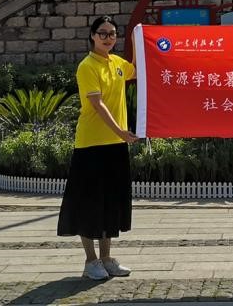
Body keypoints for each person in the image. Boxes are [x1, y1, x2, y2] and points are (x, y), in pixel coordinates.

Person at [57, 15, 140, 281]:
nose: (108, 38)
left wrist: (140, 39)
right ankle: (90, 260)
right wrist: (120, 131)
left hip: (116, 145)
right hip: (91, 144)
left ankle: (106, 258)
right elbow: (97, 104)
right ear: (93, 36)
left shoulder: (118, 63)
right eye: (102, 33)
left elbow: (140, 70)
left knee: (111, 203)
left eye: (112, 33)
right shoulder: (87, 66)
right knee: (88, 203)